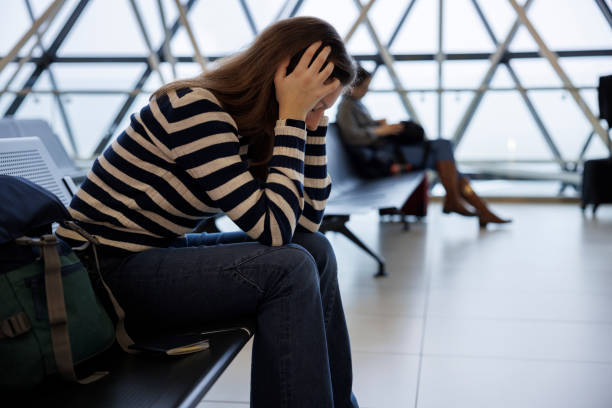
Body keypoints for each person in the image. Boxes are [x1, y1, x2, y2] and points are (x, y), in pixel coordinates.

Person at [56, 17, 359, 408]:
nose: (313, 115)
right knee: (289, 266)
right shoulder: (195, 109)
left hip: (152, 254)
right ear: (280, 78)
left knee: (315, 249)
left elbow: (305, 223)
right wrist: (291, 120)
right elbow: (274, 232)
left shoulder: (252, 124)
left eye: (323, 108)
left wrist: (311, 128)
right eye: (312, 103)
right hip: (102, 274)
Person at [337, 66, 511, 228]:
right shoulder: (346, 106)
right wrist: (381, 131)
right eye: (365, 86)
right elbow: (352, 136)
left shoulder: (355, 104)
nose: (367, 90)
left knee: (450, 164)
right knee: (443, 147)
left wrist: (378, 125)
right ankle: (463, 203)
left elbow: (360, 129)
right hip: (385, 158)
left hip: (388, 152)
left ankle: (468, 205)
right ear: (353, 86)